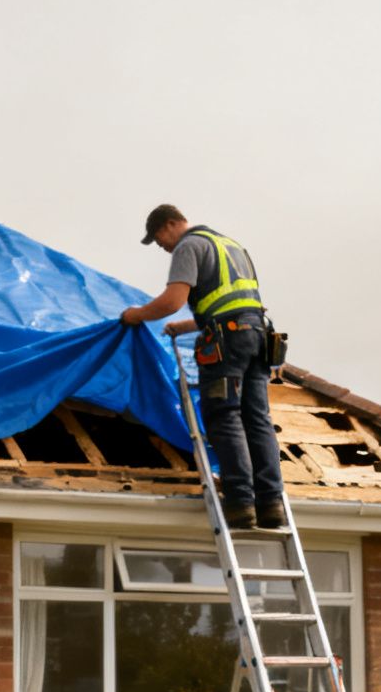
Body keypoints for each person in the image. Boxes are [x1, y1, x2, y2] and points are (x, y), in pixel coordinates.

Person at [119, 204, 285, 530]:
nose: (163, 248)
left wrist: (136, 315)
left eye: (159, 239)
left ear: (170, 224)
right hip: (257, 336)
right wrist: (185, 327)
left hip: (228, 341)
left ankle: (240, 502)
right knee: (257, 420)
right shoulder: (231, 246)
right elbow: (230, 304)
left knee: (224, 415)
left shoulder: (188, 246)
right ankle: (271, 503)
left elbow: (171, 300)